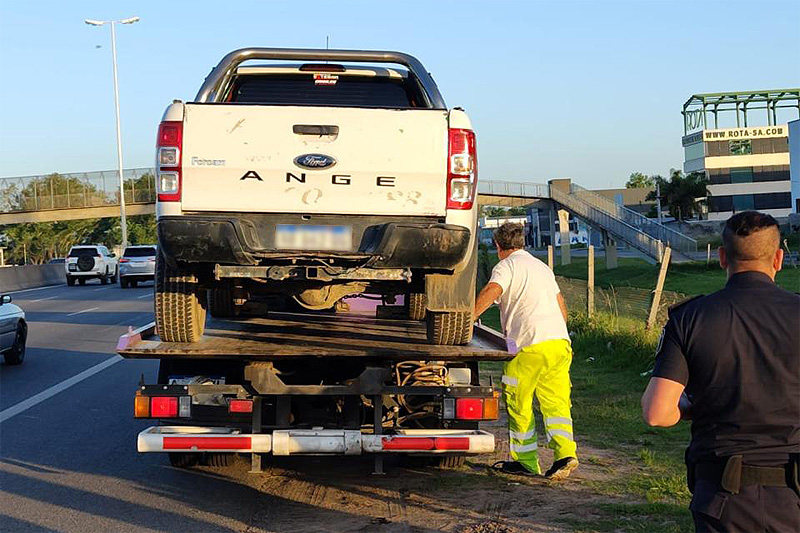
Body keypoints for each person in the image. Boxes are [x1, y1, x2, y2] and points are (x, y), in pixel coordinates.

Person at [641, 211, 799, 532]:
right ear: (779, 258)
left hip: (724, 497)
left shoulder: (690, 318)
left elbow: (657, 413)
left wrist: (695, 405)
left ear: (723, 257)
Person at [474, 222, 578, 479]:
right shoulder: (542, 267)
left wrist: (467, 318)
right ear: (522, 243)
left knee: (518, 401)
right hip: (559, 343)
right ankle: (565, 454)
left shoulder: (506, 266)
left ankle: (526, 462)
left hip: (528, 346)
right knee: (557, 403)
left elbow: (493, 290)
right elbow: (560, 305)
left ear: (498, 245)